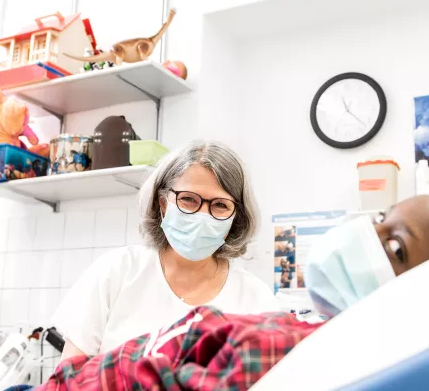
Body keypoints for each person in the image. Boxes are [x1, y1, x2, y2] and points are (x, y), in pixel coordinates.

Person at [40, 192, 429, 391]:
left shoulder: (301, 352)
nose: (367, 232)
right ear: (162, 202)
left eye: (397, 247)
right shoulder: (300, 328)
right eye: (381, 216)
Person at [53, 141, 278, 359]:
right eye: (188, 199)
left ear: (236, 216)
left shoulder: (256, 299)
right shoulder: (116, 272)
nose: (202, 216)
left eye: (220, 205)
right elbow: (68, 378)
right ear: (162, 202)